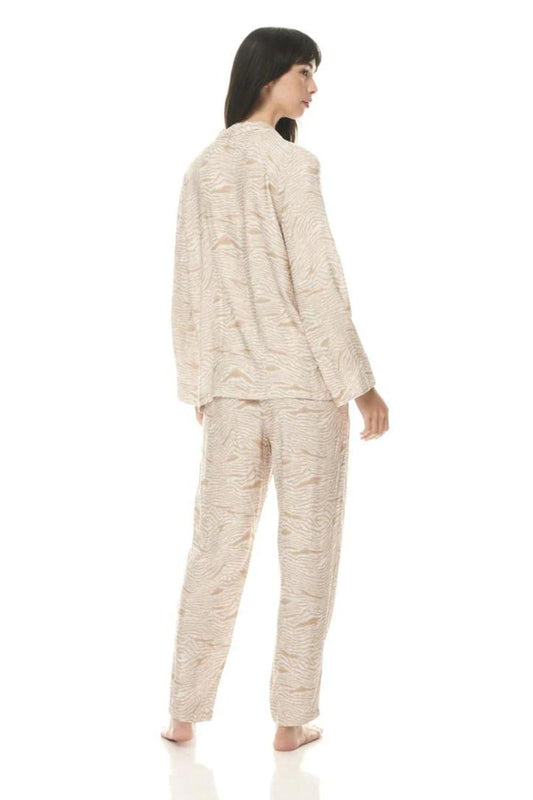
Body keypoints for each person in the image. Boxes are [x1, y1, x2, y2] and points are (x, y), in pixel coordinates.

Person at [161, 26, 389, 752]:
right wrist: (361, 384)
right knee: (308, 552)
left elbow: (188, 287)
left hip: (230, 391)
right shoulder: (292, 165)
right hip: (303, 389)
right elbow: (317, 282)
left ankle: (182, 714)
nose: (313, 87)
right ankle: (290, 723)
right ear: (267, 77)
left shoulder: (201, 169)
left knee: (214, 551)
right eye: (303, 72)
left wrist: (200, 382)